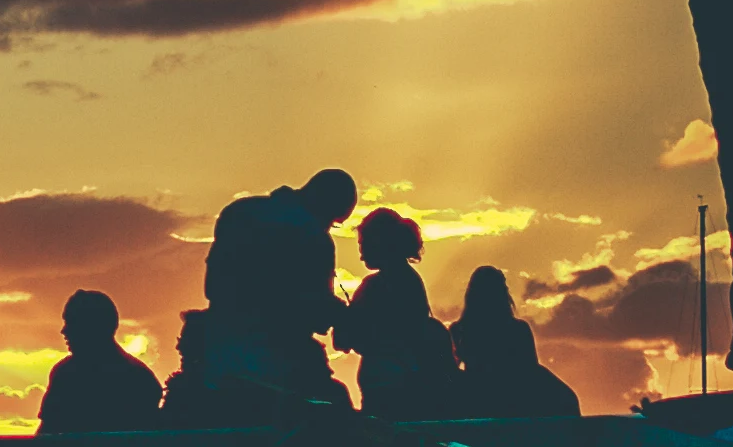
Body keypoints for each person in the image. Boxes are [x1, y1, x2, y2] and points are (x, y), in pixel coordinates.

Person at [201, 169, 358, 405]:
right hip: (280, 358)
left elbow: (213, 286)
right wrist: (344, 316)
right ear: (328, 207)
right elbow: (314, 311)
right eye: (334, 222)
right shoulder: (314, 237)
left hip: (219, 349)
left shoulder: (239, 211)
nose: (329, 228)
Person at [334, 208, 459, 418]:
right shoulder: (412, 281)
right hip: (412, 387)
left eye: (364, 243)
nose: (361, 252)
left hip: (385, 389)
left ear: (381, 242)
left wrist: (341, 316)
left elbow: (347, 339)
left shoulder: (375, 286)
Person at [450, 266, 580, 418]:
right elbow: (530, 369)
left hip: (479, 399)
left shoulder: (459, 330)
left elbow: (452, 373)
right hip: (514, 400)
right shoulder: (518, 329)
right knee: (568, 400)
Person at [37, 291, 163, 434]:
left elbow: (45, 434)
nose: (64, 331)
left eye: (71, 322)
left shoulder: (66, 374)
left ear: (92, 327)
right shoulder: (141, 376)